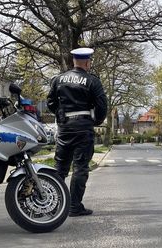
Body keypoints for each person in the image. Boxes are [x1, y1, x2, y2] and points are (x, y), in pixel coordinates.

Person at [47, 47, 107, 217]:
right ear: (87, 62)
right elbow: (102, 106)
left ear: (73, 61)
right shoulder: (92, 81)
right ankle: (74, 206)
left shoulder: (58, 79)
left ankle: (55, 205)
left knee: (60, 167)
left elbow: (50, 101)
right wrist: (96, 121)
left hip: (65, 128)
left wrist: (60, 115)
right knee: (80, 168)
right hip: (83, 128)